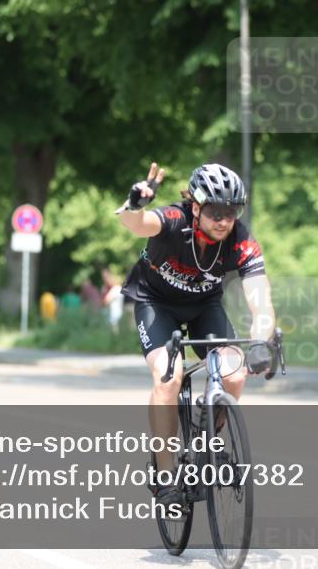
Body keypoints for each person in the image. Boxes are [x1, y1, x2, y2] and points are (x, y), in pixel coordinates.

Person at [117, 161, 275, 505]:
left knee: (234, 372)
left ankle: (207, 441)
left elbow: (260, 301)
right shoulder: (175, 221)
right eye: (216, 211)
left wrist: (262, 341)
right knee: (168, 378)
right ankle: (165, 475)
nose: (224, 220)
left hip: (204, 307)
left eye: (232, 211)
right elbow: (139, 224)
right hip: (156, 303)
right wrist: (134, 205)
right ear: (196, 206)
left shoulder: (241, 240)